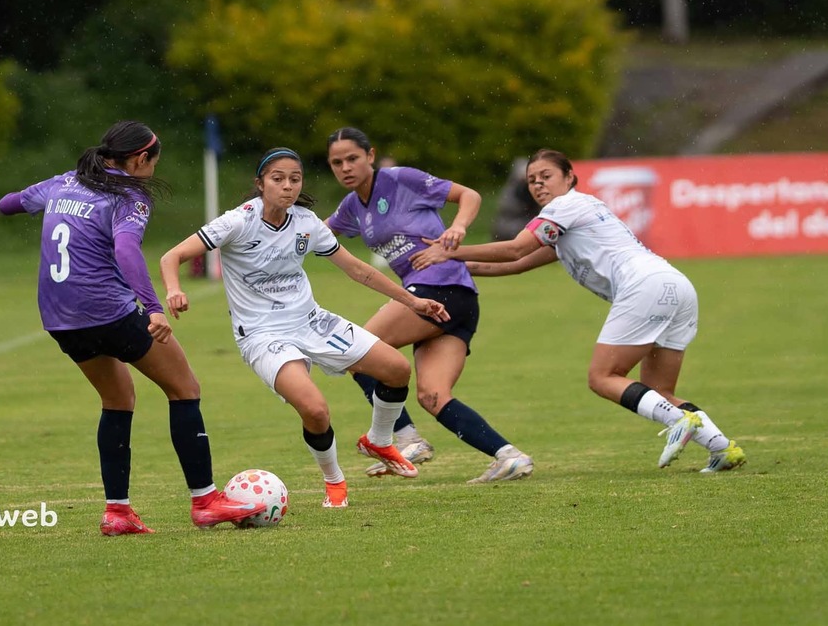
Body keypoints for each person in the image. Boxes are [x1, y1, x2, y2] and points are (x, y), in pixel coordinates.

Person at [0, 120, 266, 535]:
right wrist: (154, 308)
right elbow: (126, 248)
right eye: (154, 161)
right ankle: (205, 501)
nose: (154, 170)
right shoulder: (129, 196)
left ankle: (117, 513)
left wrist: (49, 198)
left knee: (118, 398)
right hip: (108, 311)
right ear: (140, 158)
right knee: (184, 388)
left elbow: (6, 205)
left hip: (60, 318)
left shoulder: (65, 182)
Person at [411, 148, 746, 473]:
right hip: (676, 286)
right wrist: (447, 268)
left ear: (569, 177)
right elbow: (515, 265)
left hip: (644, 287)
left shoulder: (564, 207)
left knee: (603, 377)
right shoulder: (572, 217)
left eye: (546, 176)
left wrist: (449, 252)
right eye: (532, 180)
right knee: (659, 392)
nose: (538, 184)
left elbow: (515, 250)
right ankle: (722, 448)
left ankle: (678, 420)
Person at [159, 147, 450, 509]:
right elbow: (171, 256)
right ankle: (335, 481)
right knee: (315, 410)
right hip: (263, 335)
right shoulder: (237, 221)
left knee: (396, 369)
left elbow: (358, 269)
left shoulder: (306, 222)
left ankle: (378, 440)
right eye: (278, 179)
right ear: (260, 184)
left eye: (294, 179)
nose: (287, 186)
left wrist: (412, 301)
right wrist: (174, 289)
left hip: (311, 321)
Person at [326, 127, 534, 483]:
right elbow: (314, 234)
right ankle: (509, 457)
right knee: (433, 396)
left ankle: (407, 440)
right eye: (336, 162)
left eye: (352, 158)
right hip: (449, 299)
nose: (345, 167)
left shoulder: (399, 179)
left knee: (358, 351)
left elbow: (468, 195)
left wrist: (458, 228)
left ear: (370, 156)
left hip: (441, 288)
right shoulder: (351, 207)